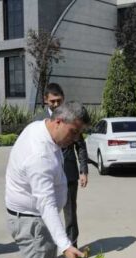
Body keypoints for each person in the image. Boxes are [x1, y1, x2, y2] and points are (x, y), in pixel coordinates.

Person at [5, 102, 88, 258]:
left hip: (39, 220)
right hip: (32, 221)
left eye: (79, 134)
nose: (75, 140)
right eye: (73, 132)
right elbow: (46, 204)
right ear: (59, 122)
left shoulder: (42, 130)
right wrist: (66, 245)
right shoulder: (38, 153)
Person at [33, 83, 89, 247]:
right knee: (46, 211)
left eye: (59, 100)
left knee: (70, 213)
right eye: (53, 101)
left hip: (69, 173)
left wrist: (83, 170)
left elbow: (81, 146)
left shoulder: (71, 117)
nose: (56, 104)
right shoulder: (38, 120)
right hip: (46, 174)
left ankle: (72, 247)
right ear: (46, 100)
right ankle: (47, 246)